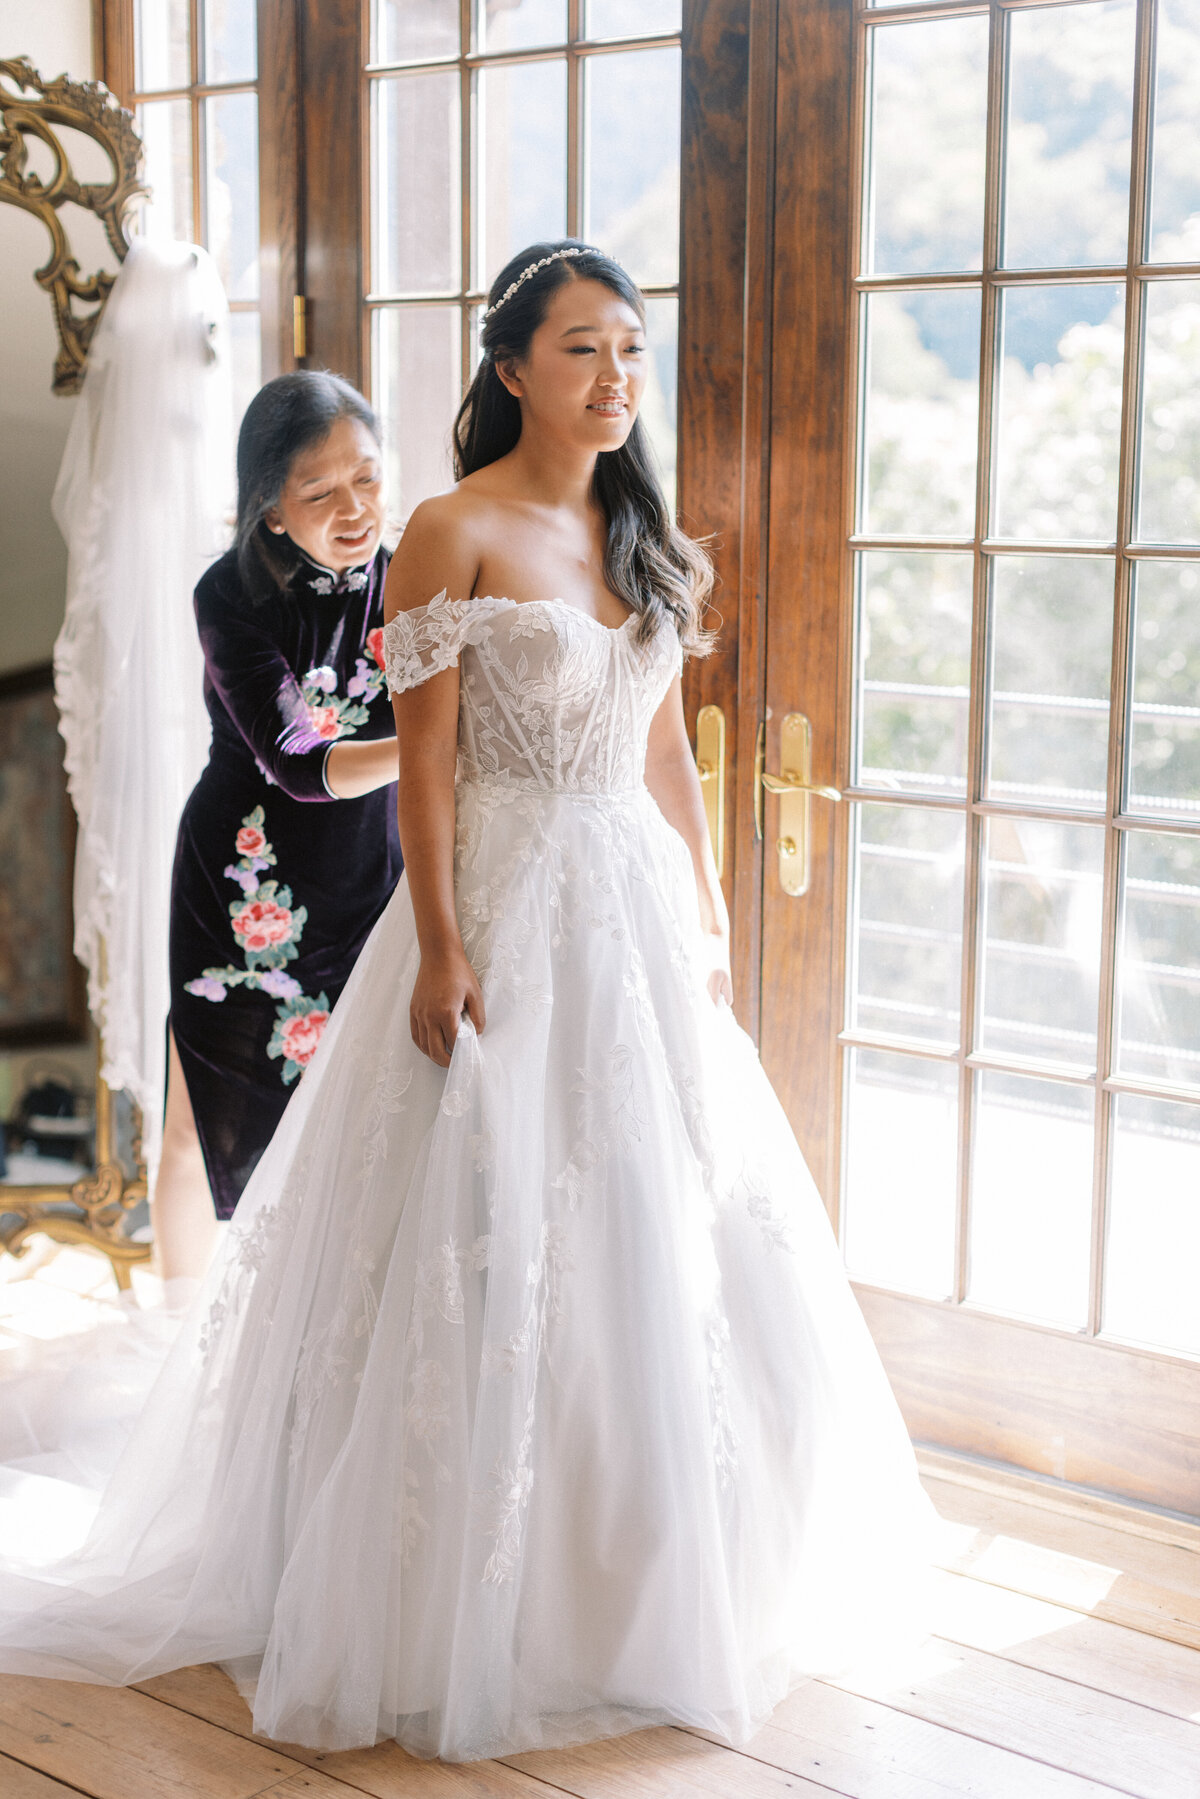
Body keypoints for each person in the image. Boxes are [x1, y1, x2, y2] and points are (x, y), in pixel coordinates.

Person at [0, 243, 932, 1761]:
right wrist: (437, 941)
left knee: (658, 1214)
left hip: (624, 902)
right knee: (472, 1210)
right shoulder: (450, 527)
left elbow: (668, 744)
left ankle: (654, 1561)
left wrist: (703, 898)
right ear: (510, 368)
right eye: (582, 350)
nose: (615, 377)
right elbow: (422, 763)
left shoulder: (638, 536)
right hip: (497, 892)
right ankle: (440, 1569)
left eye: (630, 350)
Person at [156, 372, 403, 1282]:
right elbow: (297, 761)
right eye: (320, 491)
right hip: (244, 881)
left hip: (371, 878)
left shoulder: (413, 571)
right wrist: (430, 742)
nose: (355, 509)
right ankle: (170, 1362)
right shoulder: (227, 596)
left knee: (361, 1131)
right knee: (201, 1124)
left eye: (368, 479)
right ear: (269, 509)